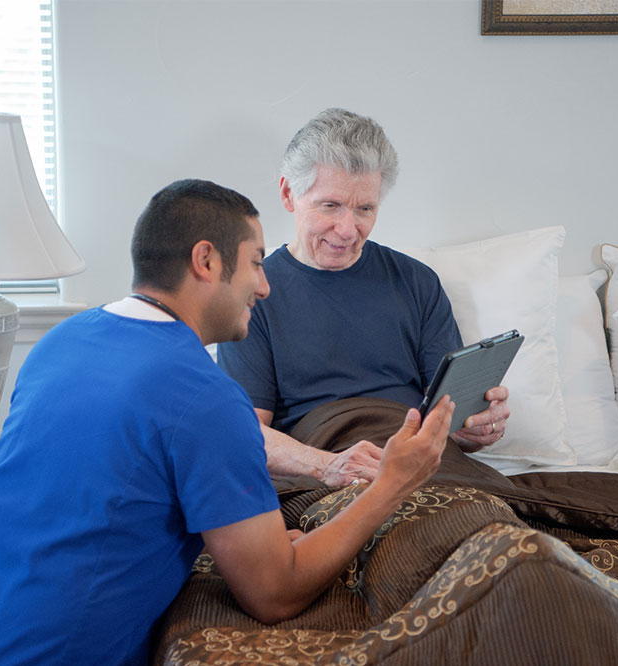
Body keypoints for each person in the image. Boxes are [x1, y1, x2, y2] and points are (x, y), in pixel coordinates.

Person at [0, 179, 455, 666]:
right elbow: (274, 594)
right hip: (41, 650)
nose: (265, 287)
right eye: (257, 262)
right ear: (207, 261)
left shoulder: (62, 341)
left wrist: (247, 537)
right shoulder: (206, 397)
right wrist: (390, 485)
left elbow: (108, 489)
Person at [217, 109, 510, 487]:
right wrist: (326, 465)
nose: (347, 229)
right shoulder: (253, 292)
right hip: (329, 463)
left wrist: (475, 428)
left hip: (423, 467)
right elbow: (243, 433)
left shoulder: (416, 281)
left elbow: (446, 417)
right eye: (330, 205)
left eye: (365, 209)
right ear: (289, 194)